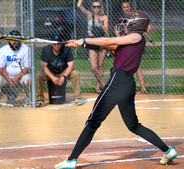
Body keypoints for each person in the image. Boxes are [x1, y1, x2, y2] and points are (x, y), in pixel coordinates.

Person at [54, 10, 177, 169]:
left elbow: (107, 40)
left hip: (117, 82)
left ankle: (71, 160)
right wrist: (81, 43)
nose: (126, 25)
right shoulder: (136, 39)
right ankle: (167, 150)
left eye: (129, 22)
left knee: (92, 122)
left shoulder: (136, 36)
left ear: (136, 24)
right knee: (133, 126)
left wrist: (83, 39)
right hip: (126, 84)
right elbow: (112, 46)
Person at [36, 34, 84, 107]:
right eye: (54, 43)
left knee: (75, 74)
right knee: (39, 75)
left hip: (63, 71)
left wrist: (63, 77)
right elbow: (43, 67)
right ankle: (39, 99)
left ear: (61, 43)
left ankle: (77, 98)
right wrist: (52, 77)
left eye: (58, 43)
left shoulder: (66, 49)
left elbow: (71, 65)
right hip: (50, 72)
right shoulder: (46, 50)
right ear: (51, 43)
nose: (56, 45)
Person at [114, 1, 151, 94]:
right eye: (124, 7)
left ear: (130, 7)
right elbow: (115, 28)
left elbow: (148, 27)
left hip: (133, 44)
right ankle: (122, 88)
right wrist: (119, 38)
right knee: (120, 65)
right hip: (124, 43)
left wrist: (141, 34)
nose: (125, 9)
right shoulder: (121, 18)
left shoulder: (135, 17)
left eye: (127, 7)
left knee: (135, 66)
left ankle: (143, 87)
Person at [77, 0, 108, 94]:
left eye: (98, 6)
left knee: (100, 65)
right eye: (94, 7)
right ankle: (104, 85)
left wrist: (101, 22)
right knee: (94, 67)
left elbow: (106, 31)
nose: (96, 9)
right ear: (92, 8)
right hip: (92, 41)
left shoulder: (104, 17)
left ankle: (98, 87)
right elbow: (79, 6)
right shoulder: (90, 15)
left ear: (101, 7)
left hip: (101, 41)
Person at [0, 30, 31, 104]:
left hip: (22, 76)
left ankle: (29, 97)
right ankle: (11, 94)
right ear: (8, 40)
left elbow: (27, 68)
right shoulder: (3, 50)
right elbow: (1, 68)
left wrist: (16, 78)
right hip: (7, 76)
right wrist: (8, 79)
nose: (15, 42)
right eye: (12, 40)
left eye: (17, 40)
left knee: (28, 81)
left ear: (20, 40)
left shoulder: (26, 49)